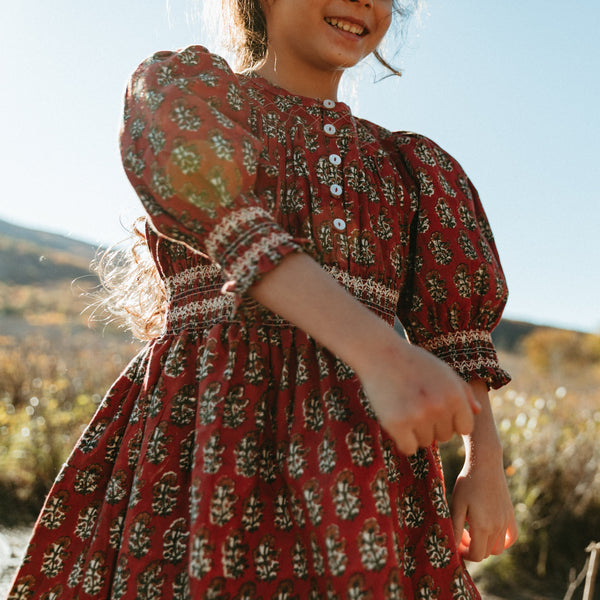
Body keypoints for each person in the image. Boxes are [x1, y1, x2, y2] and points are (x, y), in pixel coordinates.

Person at [7, 0, 517, 598]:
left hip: (361, 457)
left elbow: (455, 333)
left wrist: (484, 467)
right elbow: (230, 222)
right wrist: (379, 352)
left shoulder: (407, 167)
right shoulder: (192, 97)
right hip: (203, 434)